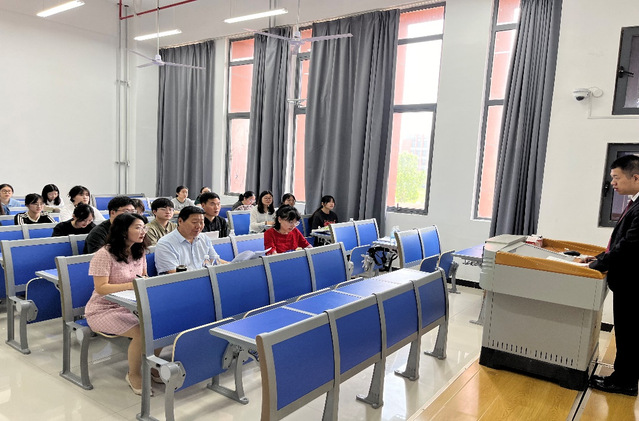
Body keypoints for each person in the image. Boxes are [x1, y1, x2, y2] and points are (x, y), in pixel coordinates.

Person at [580, 155, 639, 396]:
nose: (612, 183)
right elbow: (620, 242)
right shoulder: (634, 203)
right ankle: (623, 377)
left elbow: (629, 246)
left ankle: (624, 382)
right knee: (626, 333)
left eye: (616, 177)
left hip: (633, 284)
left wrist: (598, 264)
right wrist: (596, 257)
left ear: (635, 177)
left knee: (629, 334)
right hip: (628, 281)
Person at [84, 213, 152, 395]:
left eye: (144, 227)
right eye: (138, 227)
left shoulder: (139, 251)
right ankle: (134, 374)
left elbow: (143, 276)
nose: (143, 231)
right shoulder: (104, 254)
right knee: (141, 332)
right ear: (123, 230)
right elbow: (101, 288)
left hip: (131, 305)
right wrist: (131, 285)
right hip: (103, 309)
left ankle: (152, 367)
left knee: (160, 323)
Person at [155, 206, 227, 274]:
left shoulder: (204, 238)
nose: (198, 226)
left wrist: (231, 266)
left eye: (201, 222)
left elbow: (214, 260)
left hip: (205, 278)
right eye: (194, 222)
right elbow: (173, 273)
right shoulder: (165, 243)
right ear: (180, 221)